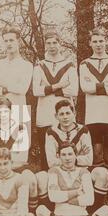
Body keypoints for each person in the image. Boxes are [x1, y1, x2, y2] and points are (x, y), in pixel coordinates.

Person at [35, 142, 108, 216]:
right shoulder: (53, 171)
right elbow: (54, 197)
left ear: (76, 155)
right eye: (64, 155)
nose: (67, 158)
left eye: (70, 154)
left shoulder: (84, 172)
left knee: (107, 210)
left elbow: (89, 200)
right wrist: (76, 192)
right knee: (40, 210)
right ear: (58, 156)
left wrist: (64, 197)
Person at [37, 99, 108, 213]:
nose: (65, 117)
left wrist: (62, 157)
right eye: (61, 114)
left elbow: (89, 160)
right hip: (58, 172)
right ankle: (50, 212)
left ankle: (94, 210)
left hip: (81, 171)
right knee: (41, 176)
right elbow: (51, 162)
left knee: (102, 173)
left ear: (74, 114)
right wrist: (78, 156)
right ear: (56, 116)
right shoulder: (51, 132)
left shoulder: (83, 130)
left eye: (68, 113)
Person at [80, 28, 108, 205]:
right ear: (90, 43)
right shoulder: (84, 64)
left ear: (106, 42)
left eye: (101, 41)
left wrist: (96, 87)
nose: (98, 44)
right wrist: (106, 86)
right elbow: (84, 87)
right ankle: (99, 197)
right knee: (96, 154)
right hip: (92, 116)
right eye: (95, 41)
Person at [0, 97, 37, 214]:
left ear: (11, 112)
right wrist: (2, 167)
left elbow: (23, 157)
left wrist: (4, 165)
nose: (3, 115)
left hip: (18, 166)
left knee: (31, 179)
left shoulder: (21, 129)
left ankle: (32, 212)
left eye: (6, 111)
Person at [32, 31, 78, 170]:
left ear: (60, 44)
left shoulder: (69, 64)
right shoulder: (39, 65)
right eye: (48, 43)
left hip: (64, 116)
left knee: (65, 150)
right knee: (46, 152)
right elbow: (36, 91)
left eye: (54, 42)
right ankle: (46, 187)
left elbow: (74, 90)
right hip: (44, 114)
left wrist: (47, 89)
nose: (52, 46)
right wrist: (59, 86)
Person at [0, 24, 33, 124]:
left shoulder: (27, 65)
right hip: (0, 112)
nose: (9, 43)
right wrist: (12, 87)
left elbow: (22, 89)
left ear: (19, 41)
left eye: (11, 40)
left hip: (19, 111)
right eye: (6, 41)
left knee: (20, 139)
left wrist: (3, 85)